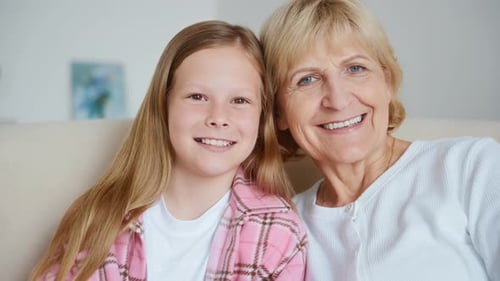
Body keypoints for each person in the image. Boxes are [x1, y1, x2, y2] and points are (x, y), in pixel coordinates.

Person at [30, 20, 307, 281]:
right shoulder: (100, 216)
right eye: (197, 97)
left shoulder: (279, 230)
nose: (218, 117)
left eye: (240, 100)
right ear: (164, 106)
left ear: (262, 116)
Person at [260, 0, 500, 280]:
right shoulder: (283, 226)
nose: (338, 100)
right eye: (307, 80)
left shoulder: (471, 166)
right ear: (278, 112)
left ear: (386, 82)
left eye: (355, 68)